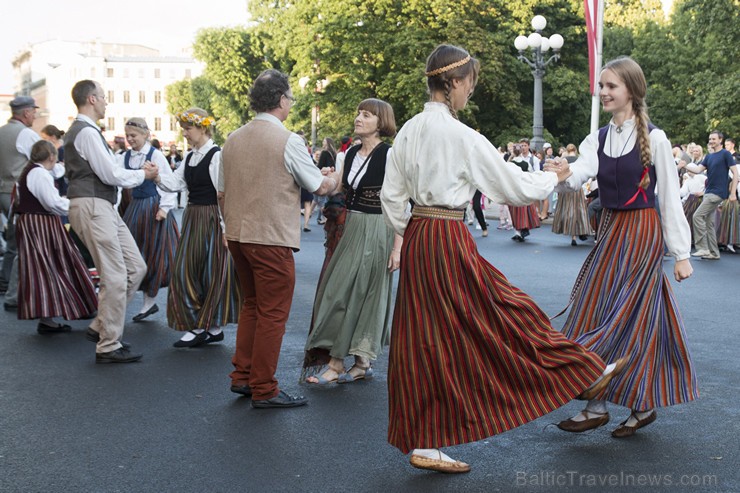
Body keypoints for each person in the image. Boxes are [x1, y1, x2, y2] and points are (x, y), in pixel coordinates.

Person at [380, 44, 626, 473]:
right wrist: (553, 175)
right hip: (446, 235)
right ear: (454, 82)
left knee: (423, 334)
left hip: (421, 234)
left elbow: (391, 198)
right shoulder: (461, 136)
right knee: (503, 310)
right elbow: (513, 188)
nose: (469, 94)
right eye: (469, 86)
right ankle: (580, 371)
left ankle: (425, 440)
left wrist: (411, 231)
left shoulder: (408, 131)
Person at [550, 56, 697, 437]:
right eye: (601, 86)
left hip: (643, 232)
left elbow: (667, 198)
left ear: (631, 90)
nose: (602, 92)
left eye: (610, 86)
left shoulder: (657, 137)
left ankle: (602, 401)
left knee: (626, 314)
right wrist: (564, 174)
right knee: (596, 306)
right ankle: (617, 404)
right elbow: (580, 173)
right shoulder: (598, 137)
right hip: (611, 230)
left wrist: (681, 255)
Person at [221, 69, 341, 409]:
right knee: (273, 313)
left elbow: (222, 192)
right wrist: (334, 179)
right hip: (270, 236)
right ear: (281, 100)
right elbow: (317, 185)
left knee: (252, 306)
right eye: (290, 98)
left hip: (239, 235)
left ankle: (242, 376)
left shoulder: (232, 138)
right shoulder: (287, 140)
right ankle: (264, 387)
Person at [303, 98, 400, 385]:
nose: (358, 118)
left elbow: (399, 202)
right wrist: (324, 179)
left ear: (380, 123)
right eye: (358, 113)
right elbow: (338, 185)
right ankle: (361, 362)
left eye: (366, 115)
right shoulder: (350, 153)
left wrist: (398, 247)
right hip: (352, 226)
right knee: (339, 291)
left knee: (363, 293)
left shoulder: (390, 156)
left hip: (378, 227)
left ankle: (338, 365)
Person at [65, 80, 158, 363]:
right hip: (94, 205)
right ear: (92, 99)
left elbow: (112, 173)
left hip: (102, 206)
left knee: (136, 268)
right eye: (104, 97)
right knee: (116, 276)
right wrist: (144, 175)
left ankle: (101, 326)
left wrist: (140, 173)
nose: (107, 102)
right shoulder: (87, 134)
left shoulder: (88, 132)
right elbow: (111, 175)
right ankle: (108, 344)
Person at [155, 108, 241, 348]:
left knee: (211, 272)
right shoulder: (190, 156)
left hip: (211, 216)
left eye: (187, 128)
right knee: (186, 271)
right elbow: (176, 183)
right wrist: (157, 178)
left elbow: (223, 193)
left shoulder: (216, 156)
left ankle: (207, 327)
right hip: (193, 216)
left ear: (202, 128)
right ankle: (205, 327)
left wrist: (225, 227)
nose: (184, 133)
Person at [15, 140, 97, 333]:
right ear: (51, 156)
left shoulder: (32, 170)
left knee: (46, 267)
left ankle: (60, 312)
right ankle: (72, 308)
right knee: (52, 266)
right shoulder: (39, 173)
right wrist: (74, 204)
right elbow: (51, 202)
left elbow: (57, 174)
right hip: (40, 224)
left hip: (34, 223)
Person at [120, 118, 179, 322]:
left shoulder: (155, 155)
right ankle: (144, 300)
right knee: (135, 252)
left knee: (154, 253)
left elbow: (169, 181)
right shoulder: (125, 157)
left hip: (154, 207)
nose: (130, 139)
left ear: (145, 135)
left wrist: (164, 208)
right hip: (135, 207)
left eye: (133, 135)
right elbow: (118, 181)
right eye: (127, 135)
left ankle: (149, 302)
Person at [0, 96, 40, 306]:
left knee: (12, 242)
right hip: (16, 193)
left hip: (2, 190)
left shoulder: (2, 130)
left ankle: (5, 281)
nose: (35, 115)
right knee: (21, 244)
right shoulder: (25, 134)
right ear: (26, 113)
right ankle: (14, 291)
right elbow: (41, 161)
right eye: (34, 111)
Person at [685, 131, 738, 260]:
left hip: (717, 193)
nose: (711, 141)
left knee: (697, 216)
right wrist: (684, 165)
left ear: (720, 140)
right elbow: (698, 170)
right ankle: (714, 253)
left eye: (714, 139)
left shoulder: (725, 154)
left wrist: (732, 193)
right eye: (710, 139)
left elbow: (735, 173)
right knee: (709, 223)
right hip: (708, 192)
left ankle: (703, 248)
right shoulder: (709, 157)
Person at [551, 143, 591, 246]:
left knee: (567, 210)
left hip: (567, 188)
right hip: (577, 189)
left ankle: (572, 234)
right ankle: (579, 232)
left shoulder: (564, 159)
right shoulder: (579, 160)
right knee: (579, 211)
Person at [508, 144, 541, 242]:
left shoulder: (510, 164)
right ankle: (523, 229)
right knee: (523, 210)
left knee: (514, 210)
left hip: (514, 189)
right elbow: (531, 174)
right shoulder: (526, 164)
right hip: (524, 189)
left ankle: (517, 232)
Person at [314, 137, 336, 226]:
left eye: (324, 141)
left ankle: (324, 218)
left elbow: (320, 166)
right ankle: (321, 217)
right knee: (325, 199)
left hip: (323, 176)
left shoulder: (324, 153)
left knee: (321, 199)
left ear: (327, 143)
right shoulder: (334, 153)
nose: (323, 142)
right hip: (332, 175)